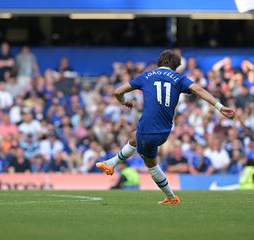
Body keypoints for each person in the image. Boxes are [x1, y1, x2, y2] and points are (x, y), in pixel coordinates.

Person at [96, 50, 235, 204]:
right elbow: (199, 90)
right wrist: (220, 106)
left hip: (149, 129)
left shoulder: (146, 76)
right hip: (165, 130)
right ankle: (111, 163)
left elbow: (117, 91)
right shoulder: (179, 78)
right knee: (134, 136)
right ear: (175, 66)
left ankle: (171, 197)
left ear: (160, 62)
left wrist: (124, 102)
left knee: (151, 165)